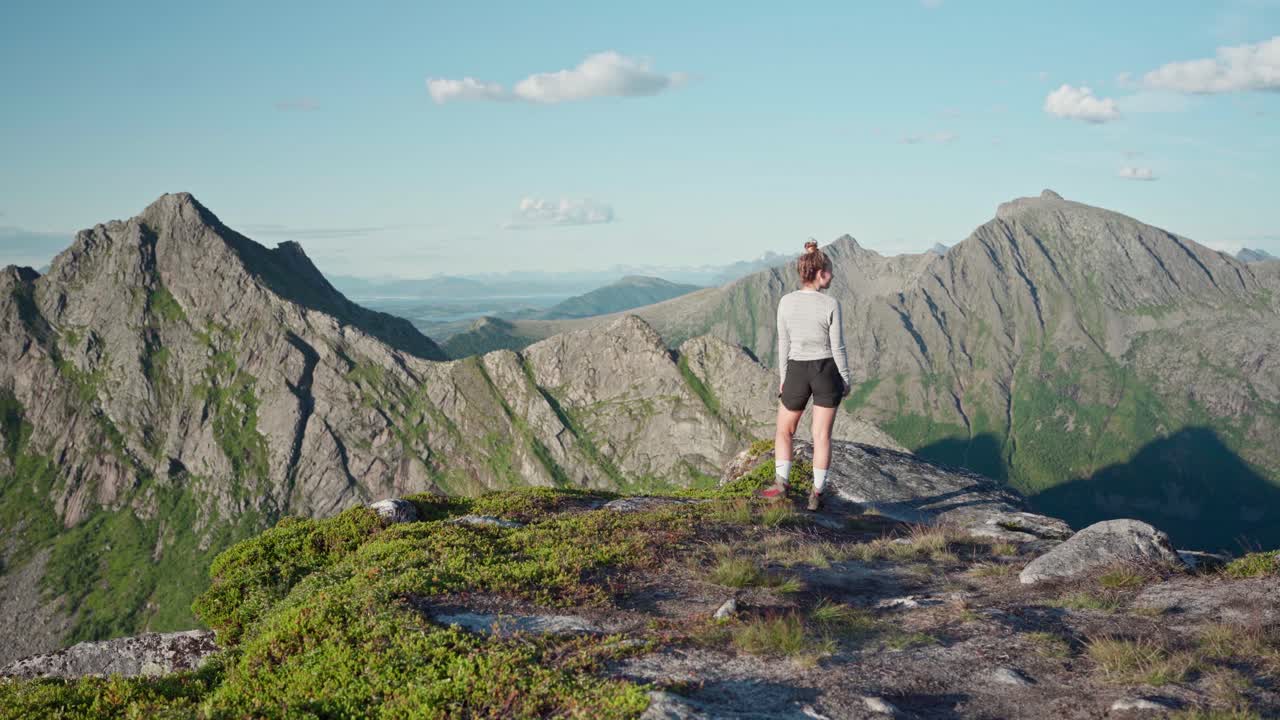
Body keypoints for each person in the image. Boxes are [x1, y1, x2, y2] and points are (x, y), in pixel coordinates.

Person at [758, 240, 851, 511]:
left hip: (797, 369)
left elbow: (783, 344)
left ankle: (781, 485)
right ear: (820, 273)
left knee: (784, 431)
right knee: (821, 436)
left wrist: (784, 377)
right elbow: (838, 346)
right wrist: (845, 378)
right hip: (825, 370)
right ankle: (816, 494)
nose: (832, 276)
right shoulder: (831, 304)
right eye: (830, 271)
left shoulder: (786, 302)